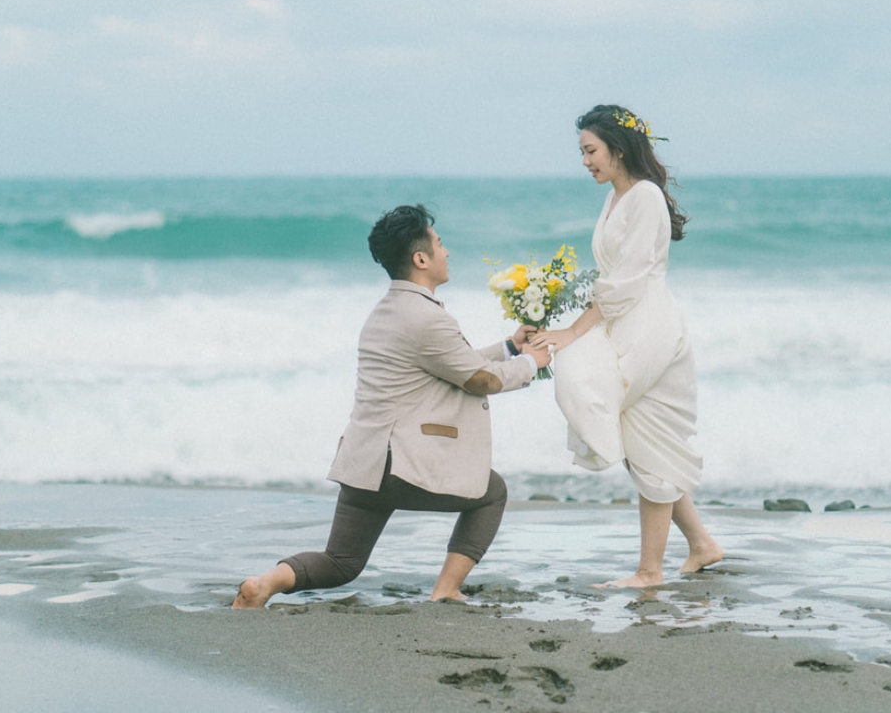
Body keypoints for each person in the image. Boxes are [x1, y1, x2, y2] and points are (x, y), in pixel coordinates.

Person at [233, 204, 551, 608]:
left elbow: (452, 361)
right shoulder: (428, 318)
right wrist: (530, 364)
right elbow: (476, 378)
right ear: (421, 259)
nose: (447, 251)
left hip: (362, 461)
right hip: (399, 465)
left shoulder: (385, 311)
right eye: (439, 243)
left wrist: (509, 347)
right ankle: (447, 590)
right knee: (492, 493)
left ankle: (264, 584)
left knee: (341, 562)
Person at [529, 104, 722, 588]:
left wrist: (574, 332)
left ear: (618, 148)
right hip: (624, 321)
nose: (585, 161)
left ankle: (649, 571)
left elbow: (626, 281)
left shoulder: (645, 198)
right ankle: (701, 545)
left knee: (648, 439)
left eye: (590, 151)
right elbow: (609, 278)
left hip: (646, 324)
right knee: (646, 437)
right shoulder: (617, 197)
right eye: (582, 152)